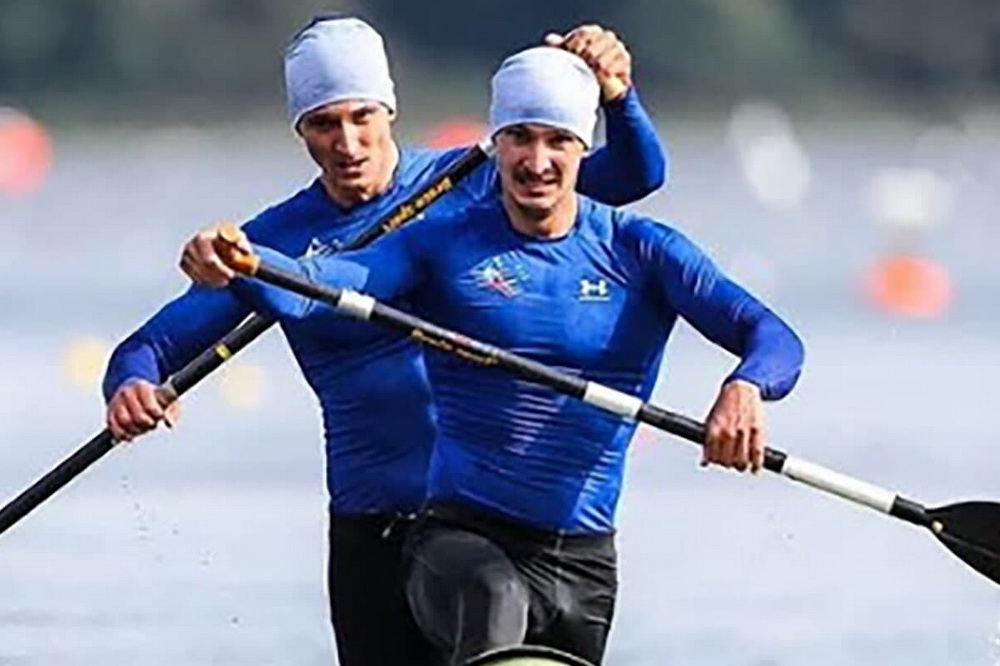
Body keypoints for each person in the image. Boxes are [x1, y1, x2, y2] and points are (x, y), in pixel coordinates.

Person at [203, 45, 805, 666]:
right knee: (495, 605)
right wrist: (245, 262)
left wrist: (745, 387)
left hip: (584, 563)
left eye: (557, 141)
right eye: (519, 138)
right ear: (496, 144)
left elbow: (773, 336)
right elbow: (320, 289)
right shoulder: (441, 245)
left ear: (583, 148)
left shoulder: (643, 251)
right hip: (460, 542)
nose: (536, 162)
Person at [102, 15, 667, 666]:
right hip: (374, 532)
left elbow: (635, 175)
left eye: (362, 117)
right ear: (300, 130)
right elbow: (147, 349)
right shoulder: (272, 243)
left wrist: (617, 95)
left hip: (491, 535)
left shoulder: (478, 183)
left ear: (389, 110)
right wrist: (131, 386)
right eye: (324, 123)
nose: (347, 143)